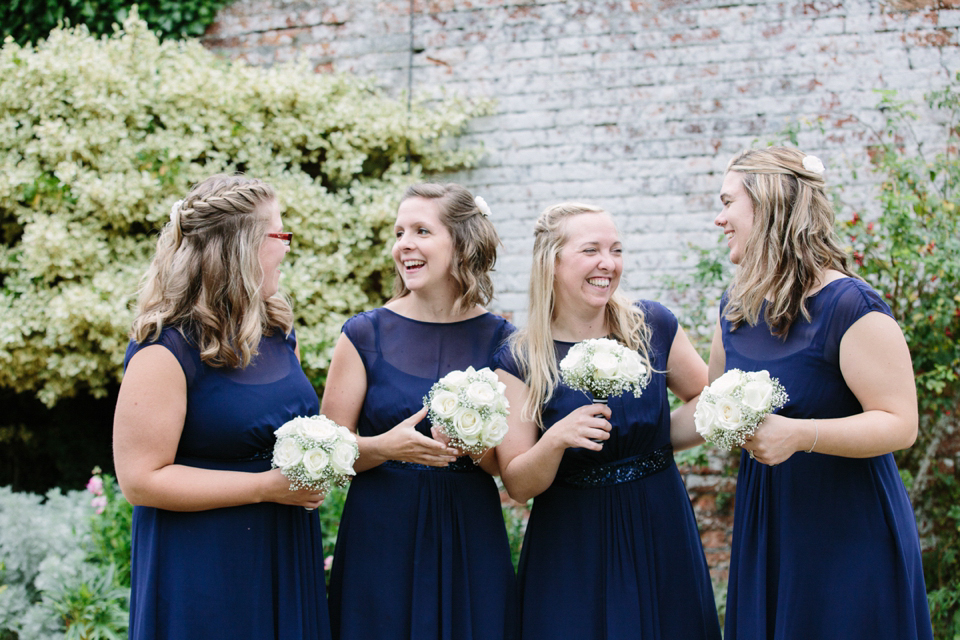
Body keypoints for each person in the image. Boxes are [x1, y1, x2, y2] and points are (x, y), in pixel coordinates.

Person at [710, 146, 933, 639]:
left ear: (766, 205)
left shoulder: (850, 306)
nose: (720, 218)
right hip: (768, 522)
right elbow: (711, 401)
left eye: (728, 203)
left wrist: (797, 435)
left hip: (847, 528)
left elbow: (900, 423)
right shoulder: (735, 307)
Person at [113, 174, 331, 639]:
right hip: (204, 566)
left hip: (283, 547)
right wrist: (266, 487)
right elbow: (140, 481)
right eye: (279, 233)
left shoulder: (277, 332)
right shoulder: (165, 350)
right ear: (241, 247)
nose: (288, 246)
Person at [493, 202, 721, 639]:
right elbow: (519, 485)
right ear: (552, 262)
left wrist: (655, 436)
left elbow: (702, 400)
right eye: (591, 250)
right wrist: (555, 440)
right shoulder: (520, 358)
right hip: (572, 539)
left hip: (660, 519)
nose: (608, 263)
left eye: (616, 250)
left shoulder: (650, 325)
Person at [321, 183, 518, 640]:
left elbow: (504, 467)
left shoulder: (503, 340)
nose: (403, 244)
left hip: (469, 527)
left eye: (422, 231)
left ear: (462, 244)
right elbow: (328, 450)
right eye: (399, 232)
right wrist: (383, 447)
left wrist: (473, 446)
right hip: (382, 529)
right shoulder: (364, 334)